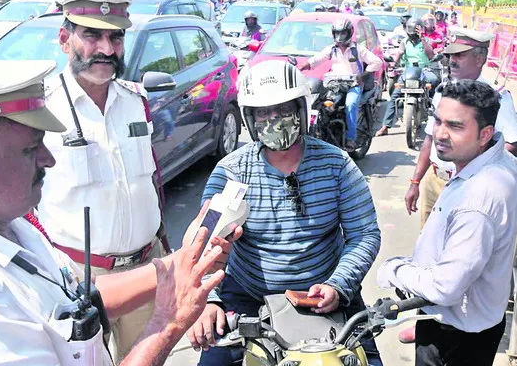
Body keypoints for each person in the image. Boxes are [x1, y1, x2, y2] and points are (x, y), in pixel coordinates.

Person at [0, 59, 240, 365]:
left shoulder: (7, 228)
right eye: (30, 149)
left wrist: (179, 263)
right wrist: (168, 321)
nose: (49, 159)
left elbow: (77, 304)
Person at [187, 60, 383, 366]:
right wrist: (208, 301)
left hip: (325, 296)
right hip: (247, 297)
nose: (274, 119)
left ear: (301, 111)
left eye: (283, 109)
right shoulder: (231, 172)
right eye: (263, 112)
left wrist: (339, 284)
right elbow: (206, 240)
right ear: (249, 118)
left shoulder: (338, 165)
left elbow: (364, 234)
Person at [39, 0, 167, 362]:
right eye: (91, 36)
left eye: (116, 38)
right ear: (65, 40)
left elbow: (151, 184)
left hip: (144, 271)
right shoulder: (42, 109)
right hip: (76, 280)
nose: (107, 50)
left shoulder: (135, 101)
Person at [377, 79, 517, 366]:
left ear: (484, 134)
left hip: (455, 333)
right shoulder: (497, 160)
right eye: (438, 122)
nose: (440, 134)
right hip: (471, 322)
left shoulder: (479, 197)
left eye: (455, 126)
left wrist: (394, 271)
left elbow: (445, 288)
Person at [405, 27, 517, 227]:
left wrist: (473, 167)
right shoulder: (444, 91)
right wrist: (415, 182)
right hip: (436, 180)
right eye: (450, 55)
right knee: (428, 246)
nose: (452, 60)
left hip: (471, 187)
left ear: (480, 59)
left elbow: (514, 143)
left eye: (460, 55)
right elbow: (430, 139)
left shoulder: (496, 97)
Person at [303, 18, 383, 150]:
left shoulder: (357, 49)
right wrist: (304, 66)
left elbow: (377, 62)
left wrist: (362, 75)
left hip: (353, 85)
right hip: (334, 85)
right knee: (320, 105)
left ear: (349, 33)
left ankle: (350, 139)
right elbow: (317, 59)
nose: (340, 37)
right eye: (337, 33)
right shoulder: (331, 49)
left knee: (350, 105)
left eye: (343, 34)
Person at [376, 18, 440, 137]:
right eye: (411, 30)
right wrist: (393, 64)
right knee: (394, 97)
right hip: (408, 72)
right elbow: (399, 54)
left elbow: (430, 55)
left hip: (424, 71)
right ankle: (385, 126)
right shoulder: (404, 42)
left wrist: (422, 39)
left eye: (416, 30)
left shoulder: (425, 41)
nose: (413, 33)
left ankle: (436, 123)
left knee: (435, 84)